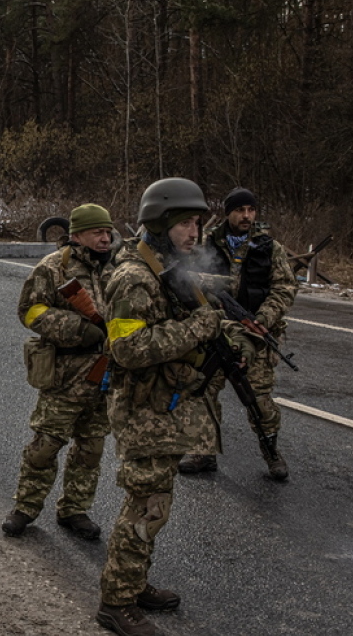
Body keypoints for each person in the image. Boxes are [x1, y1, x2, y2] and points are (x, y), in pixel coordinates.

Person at [95, 178, 255, 636]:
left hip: (163, 408)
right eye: (186, 222)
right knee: (146, 506)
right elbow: (128, 349)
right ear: (161, 223)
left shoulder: (166, 265)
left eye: (198, 223)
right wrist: (202, 327)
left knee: (154, 505)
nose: (195, 232)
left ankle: (133, 582)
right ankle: (115, 603)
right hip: (143, 413)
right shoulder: (132, 277)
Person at [2, 204, 116, 541]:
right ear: (77, 234)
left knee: (90, 448)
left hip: (104, 373)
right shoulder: (54, 269)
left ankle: (75, 510)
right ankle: (25, 507)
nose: (105, 238)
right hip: (65, 374)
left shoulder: (117, 269)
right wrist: (77, 327)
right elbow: (30, 310)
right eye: (98, 232)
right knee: (45, 445)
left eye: (108, 232)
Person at [178, 187, 296, 480]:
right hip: (214, 332)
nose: (246, 216)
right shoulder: (204, 244)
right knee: (201, 390)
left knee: (258, 398)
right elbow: (183, 281)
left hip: (255, 333)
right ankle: (202, 452)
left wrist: (262, 320)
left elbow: (284, 288)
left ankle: (271, 453)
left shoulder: (269, 248)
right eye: (240, 210)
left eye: (251, 211)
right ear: (228, 212)